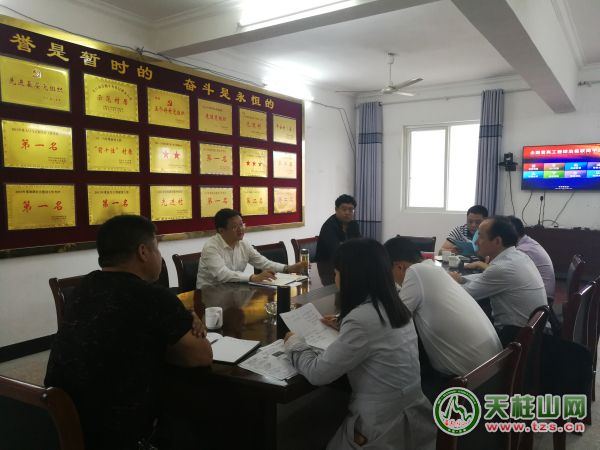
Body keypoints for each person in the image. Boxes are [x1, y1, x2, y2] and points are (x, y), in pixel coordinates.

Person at [45, 215, 212, 450]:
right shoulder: (153, 296)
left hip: (63, 426)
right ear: (143, 252)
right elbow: (201, 356)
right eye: (157, 248)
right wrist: (189, 321)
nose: (160, 256)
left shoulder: (83, 287)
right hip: (121, 434)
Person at [285, 238, 435, 450]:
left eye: (336, 272)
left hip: (380, 428)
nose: (335, 278)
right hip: (415, 415)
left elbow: (318, 374)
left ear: (350, 277)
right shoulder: (396, 304)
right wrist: (343, 325)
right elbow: (378, 334)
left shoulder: (361, 319)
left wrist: (294, 342)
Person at [384, 237, 502, 376]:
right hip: (492, 368)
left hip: (469, 379)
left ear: (399, 266)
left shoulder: (416, 271)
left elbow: (395, 320)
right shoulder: (432, 268)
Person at [449, 216, 547, 333]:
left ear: (497, 241)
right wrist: (461, 279)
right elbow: (485, 277)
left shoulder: (502, 268)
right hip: (533, 331)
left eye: (480, 236)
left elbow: (463, 295)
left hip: (514, 335)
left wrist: (452, 282)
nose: (475, 242)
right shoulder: (519, 256)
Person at [196, 208, 307, 288]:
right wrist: (252, 277)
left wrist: (288, 268)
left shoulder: (244, 244)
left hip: (233, 290)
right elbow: (222, 274)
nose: (241, 229)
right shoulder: (211, 247)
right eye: (235, 227)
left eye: (241, 224)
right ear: (221, 231)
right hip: (209, 294)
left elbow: (263, 263)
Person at [315, 194, 361, 262]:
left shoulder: (354, 224)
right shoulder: (329, 226)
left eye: (351, 210)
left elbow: (360, 245)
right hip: (326, 264)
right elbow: (336, 250)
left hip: (347, 262)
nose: (347, 213)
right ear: (336, 209)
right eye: (344, 209)